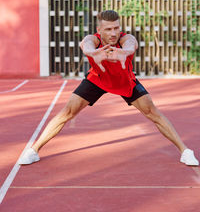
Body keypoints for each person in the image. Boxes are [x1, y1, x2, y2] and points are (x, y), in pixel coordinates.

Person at [19, 10, 199, 166]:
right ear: (99, 30)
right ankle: (34, 150)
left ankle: (184, 151)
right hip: (97, 80)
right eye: (108, 29)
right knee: (67, 112)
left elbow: (131, 44)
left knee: (153, 112)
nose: (113, 33)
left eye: (116, 28)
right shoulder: (94, 41)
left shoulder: (125, 39)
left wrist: (126, 51)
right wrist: (90, 52)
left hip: (125, 82)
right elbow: (86, 43)